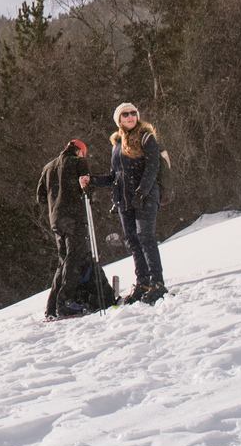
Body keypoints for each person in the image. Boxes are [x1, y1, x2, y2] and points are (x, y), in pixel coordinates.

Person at [84, 102, 167, 304]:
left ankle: (158, 283)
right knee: (132, 240)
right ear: (119, 120)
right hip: (124, 200)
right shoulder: (117, 144)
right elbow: (116, 176)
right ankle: (143, 282)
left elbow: (152, 167)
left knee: (145, 236)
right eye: (125, 114)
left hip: (145, 196)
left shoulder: (147, 137)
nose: (130, 117)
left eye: (133, 113)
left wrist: (142, 192)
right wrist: (92, 180)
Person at [38, 138, 93, 318]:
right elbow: (86, 186)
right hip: (74, 215)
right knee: (75, 256)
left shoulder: (48, 167)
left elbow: (40, 198)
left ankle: (52, 306)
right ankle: (65, 302)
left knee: (64, 260)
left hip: (55, 218)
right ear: (79, 151)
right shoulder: (79, 162)